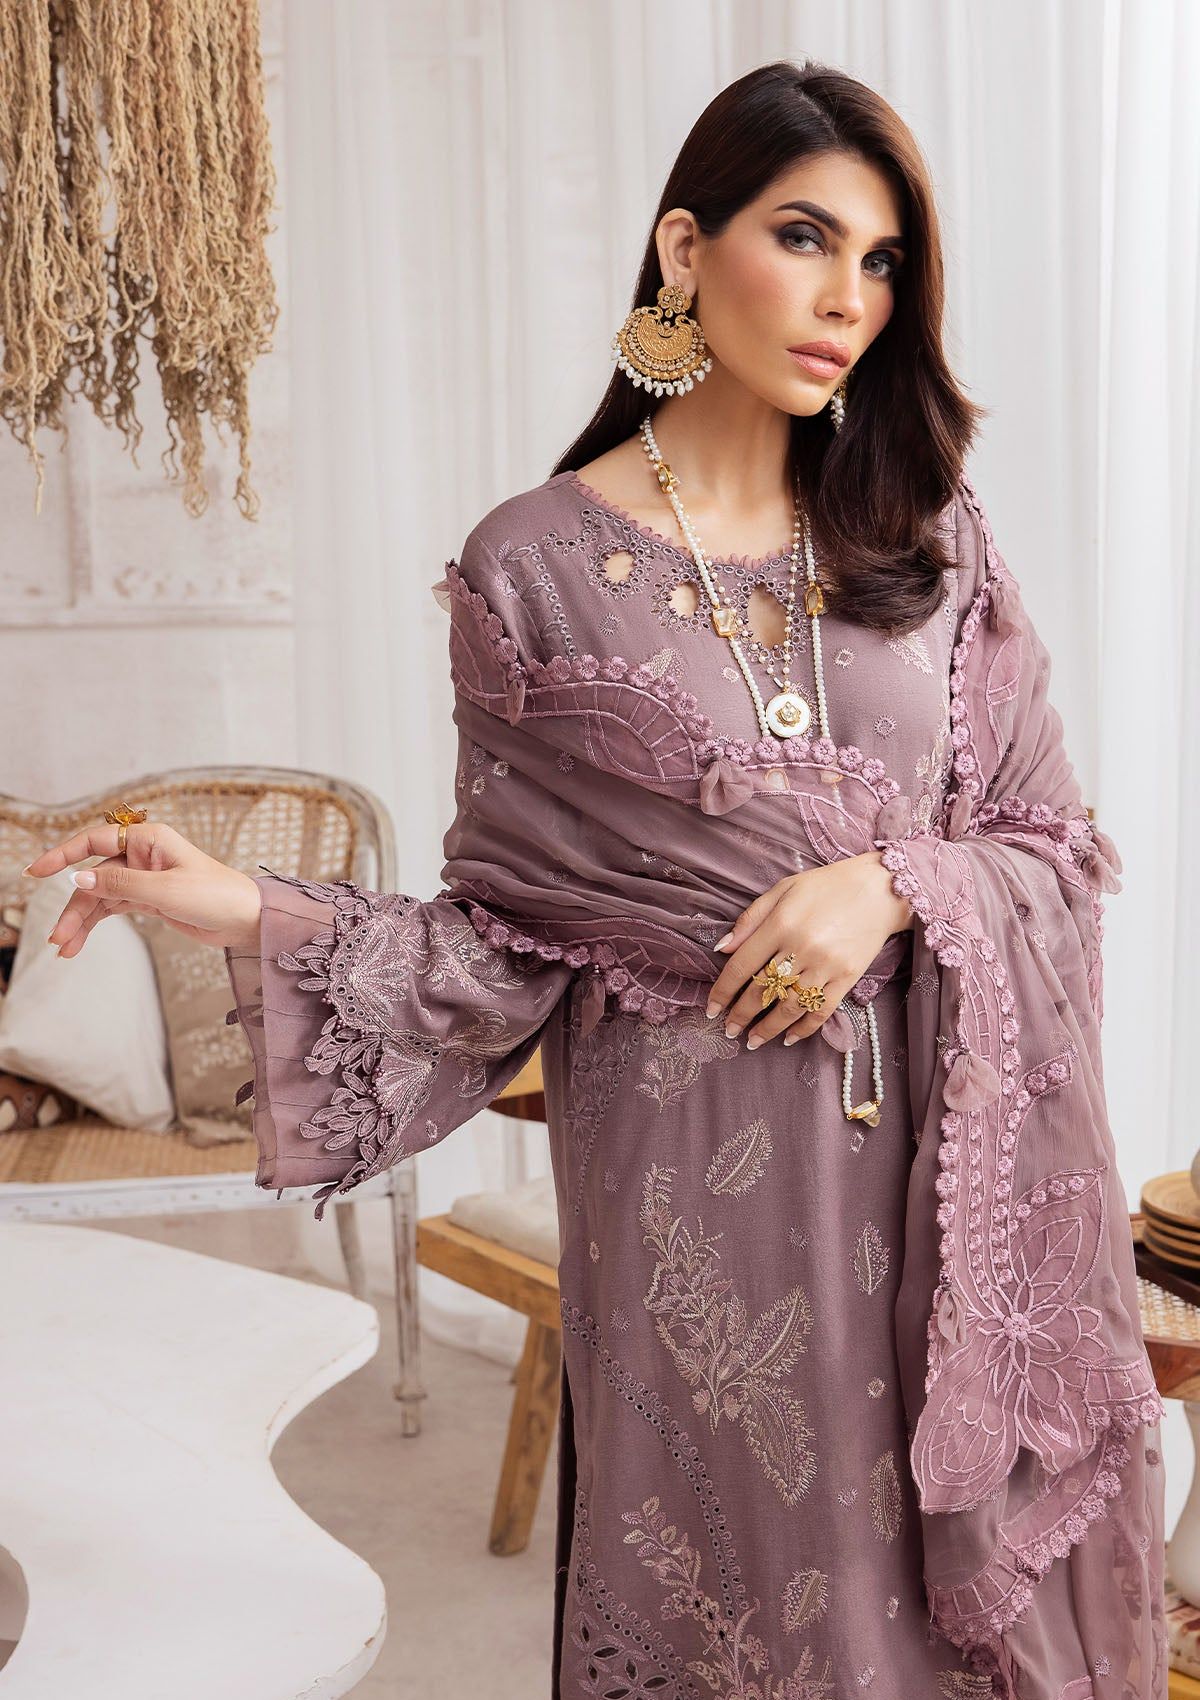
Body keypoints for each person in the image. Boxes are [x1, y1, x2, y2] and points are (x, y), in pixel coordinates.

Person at [24, 57, 1166, 1700]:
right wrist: (237, 906)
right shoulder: (536, 566)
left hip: (938, 1173)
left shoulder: (929, 538)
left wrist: (892, 886)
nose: (848, 297)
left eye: (882, 260)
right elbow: (504, 943)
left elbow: (1050, 847)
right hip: (693, 1195)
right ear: (685, 249)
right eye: (805, 237)